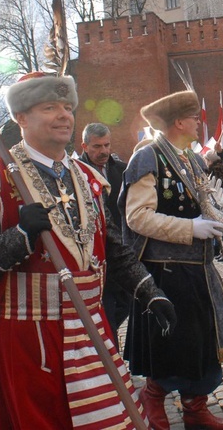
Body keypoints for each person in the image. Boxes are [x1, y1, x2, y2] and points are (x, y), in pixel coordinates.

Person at [0, 72, 176, 430]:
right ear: (21, 117)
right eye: (49, 107)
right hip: (29, 335)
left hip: (92, 324)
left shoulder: (88, 177)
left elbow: (113, 249)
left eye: (67, 107)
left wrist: (150, 292)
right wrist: (20, 236)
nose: (63, 115)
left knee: (112, 419)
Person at [119, 89, 223, 430]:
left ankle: (194, 408)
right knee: (172, 341)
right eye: (195, 118)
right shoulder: (148, 157)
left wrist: (220, 220)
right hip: (166, 270)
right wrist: (190, 228)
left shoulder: (192, 159)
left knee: (202, 341)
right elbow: (137, 217)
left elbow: (205, 205)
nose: (200, 123)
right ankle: (152, 397)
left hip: (198, 268)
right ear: (179, 122)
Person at [76, 122, 132, 344]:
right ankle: (111, 360)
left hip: (121, 249)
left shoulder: (122, 169)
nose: (103, 151)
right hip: (94, 254)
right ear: (85, 145)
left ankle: (103, 336)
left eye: (107, 145)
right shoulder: (74, 172)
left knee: (127, 302)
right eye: (97, 146)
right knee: (105, 309)